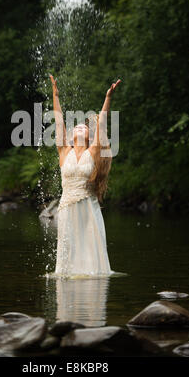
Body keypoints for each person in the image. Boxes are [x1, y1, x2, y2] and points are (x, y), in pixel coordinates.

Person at [49, 74, 121, 277]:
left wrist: (108, 97)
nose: (80, 127)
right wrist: (55, 95)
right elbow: (59, 119)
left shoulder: (93, 151)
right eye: (77, 127)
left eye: (84, 127)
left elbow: (102, 122)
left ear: (90, 136)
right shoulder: (64, 151)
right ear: (70, 135)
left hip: (89, 208)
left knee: (91, 261)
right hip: (67, 208)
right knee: (68, 263)